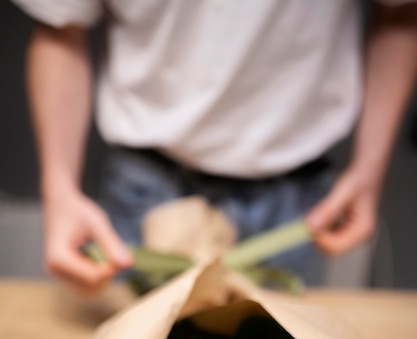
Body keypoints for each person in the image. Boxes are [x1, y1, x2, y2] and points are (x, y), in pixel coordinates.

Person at [13, 0, 417, 292]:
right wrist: (59, 186)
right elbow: (61, 24)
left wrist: (369, 170)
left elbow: (400, 12)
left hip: (297, 207)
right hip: (147, 192)